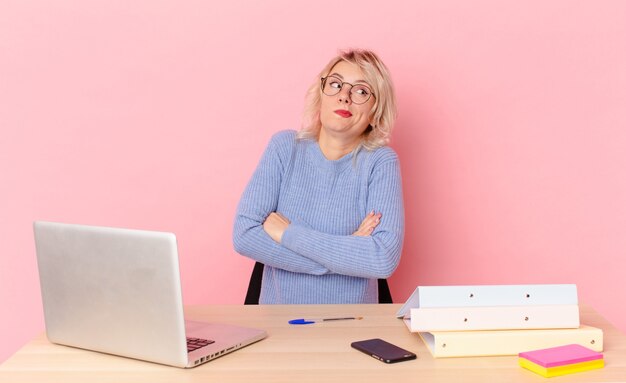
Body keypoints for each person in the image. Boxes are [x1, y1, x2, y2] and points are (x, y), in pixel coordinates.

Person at [233, 49, 404, 304]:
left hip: (353, 326)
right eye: (335, 84)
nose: (344, 97)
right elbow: (244, 234)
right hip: (279, 327)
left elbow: (382, 257)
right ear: (321, 95)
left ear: (375, 110)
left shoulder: (381, 162)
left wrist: (288, 234)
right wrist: (343, 254)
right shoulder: (284, 147)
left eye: (360, 91)